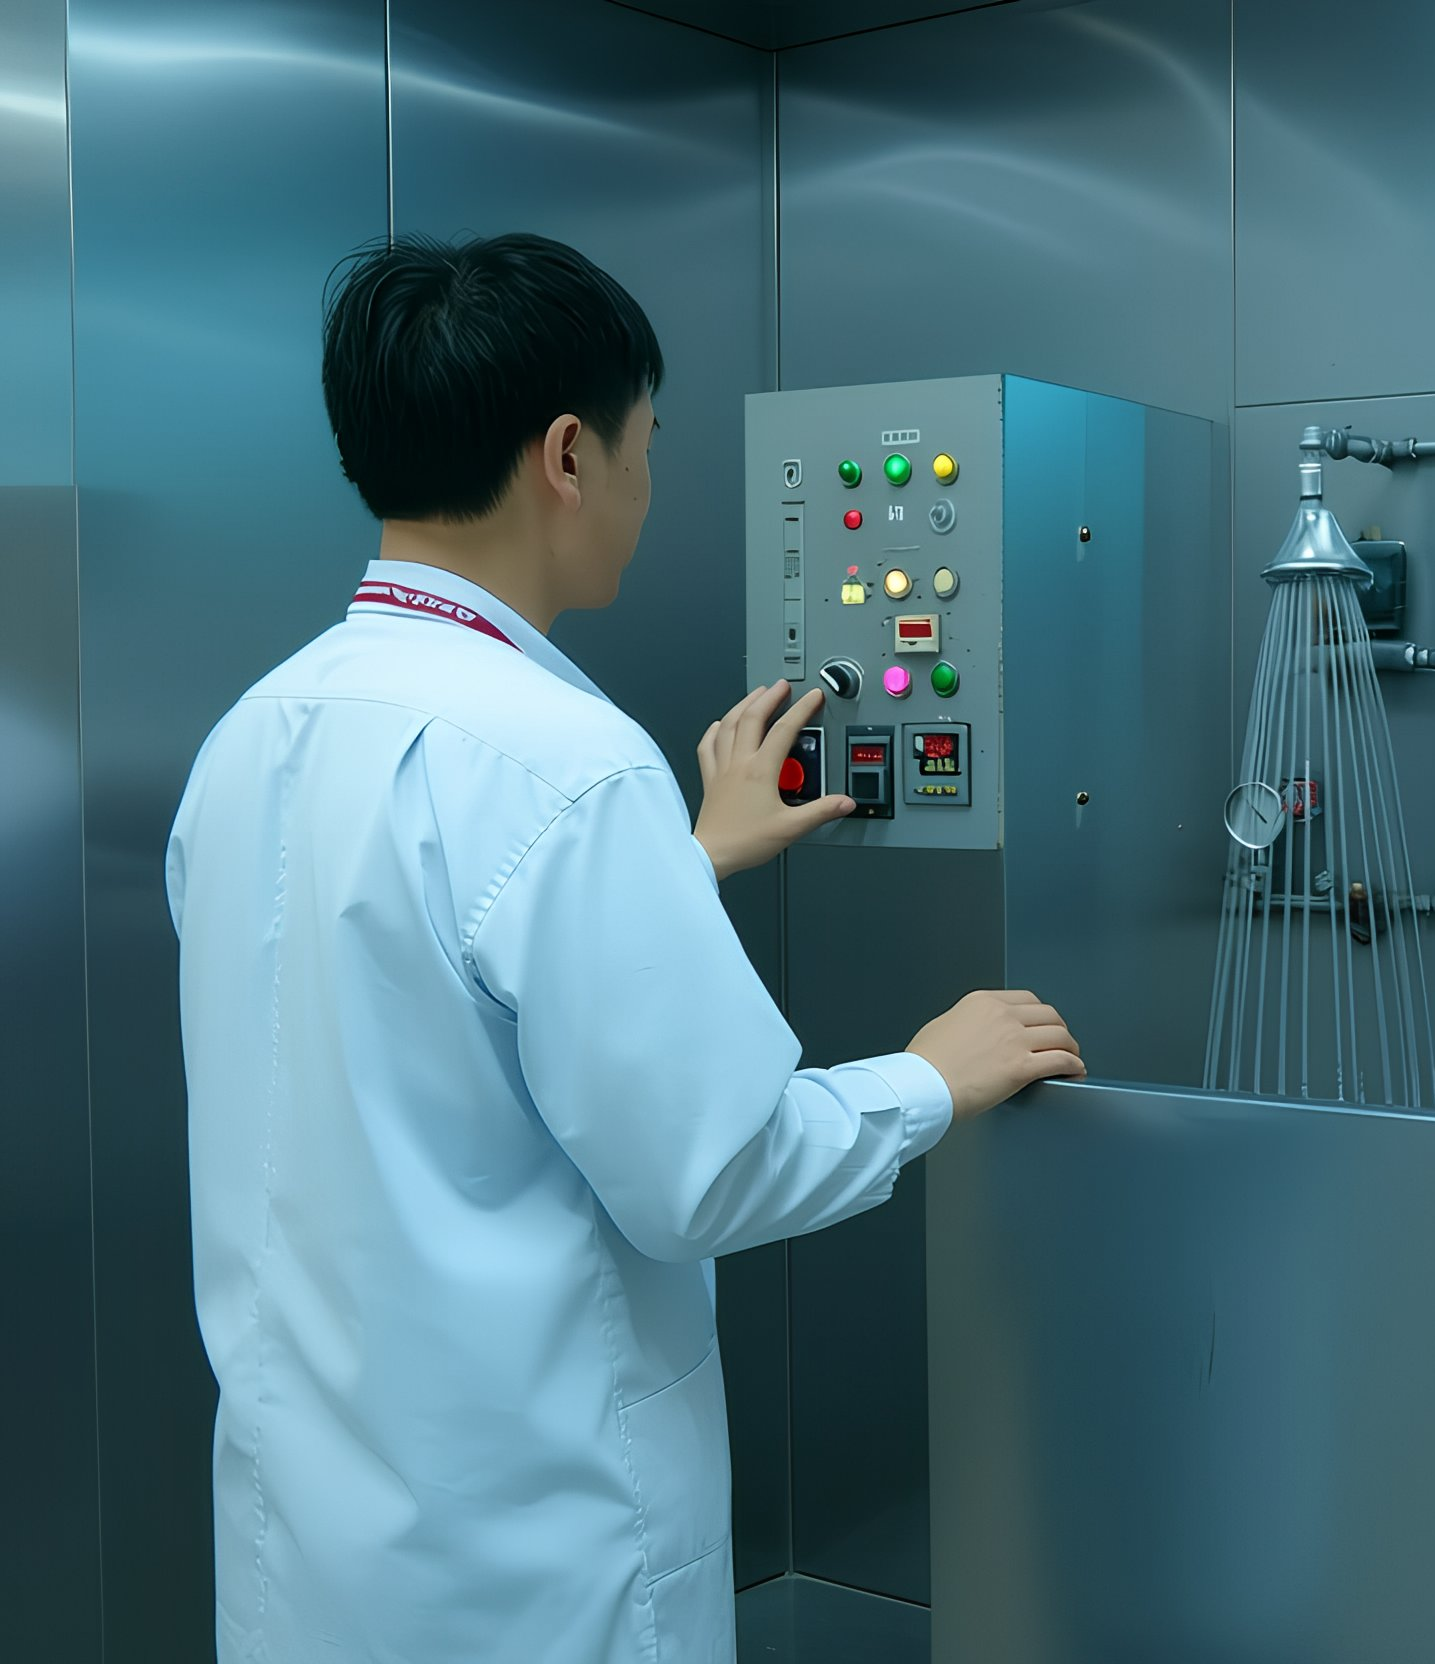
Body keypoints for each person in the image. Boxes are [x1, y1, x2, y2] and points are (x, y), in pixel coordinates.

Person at [167, 231, 1084, 1664]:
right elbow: (713, 1168)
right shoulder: (568, 768)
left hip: (321, 1557)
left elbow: (408, 1003)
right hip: (538, 1561)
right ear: (568, 457)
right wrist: (926, 1078)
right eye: (650, 441)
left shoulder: (258, 735)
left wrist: (683, 865)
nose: (653, 487)